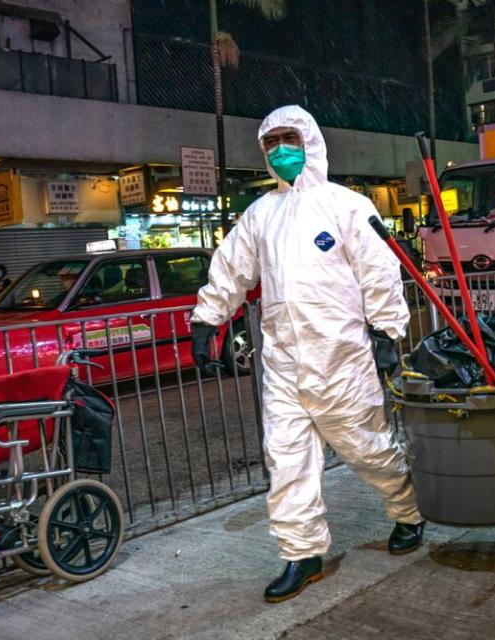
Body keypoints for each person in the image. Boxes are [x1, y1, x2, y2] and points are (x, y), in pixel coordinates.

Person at [190, 106, 424, 604]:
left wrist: (386, 332)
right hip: (282, 366)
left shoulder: (347, 206)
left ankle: (408, 510)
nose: (279, 150)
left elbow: (379, 271)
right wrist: (207, 318)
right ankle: (302, 553)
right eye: (270, 142)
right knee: (287, 460)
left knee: (369, 450)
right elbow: (232, 268)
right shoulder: (260, 215)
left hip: (342, 361)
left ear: (310, 141)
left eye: (288, 138)